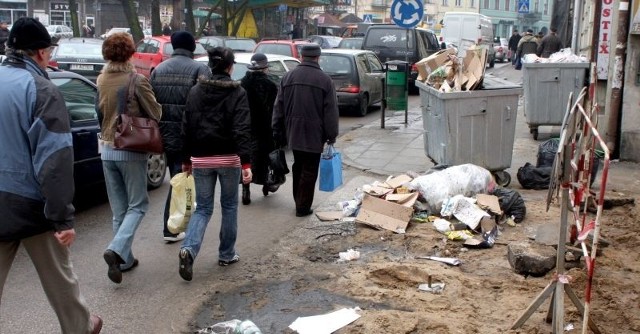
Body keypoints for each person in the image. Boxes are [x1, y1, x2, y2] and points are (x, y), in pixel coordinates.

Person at [0, 17, 102, 333]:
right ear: (42, 52)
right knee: (59, 277)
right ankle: (79, 328)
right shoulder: (43, 90)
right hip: (31, 202)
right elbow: (55, 160)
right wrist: (62, 218)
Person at [178, 46, 252, 281]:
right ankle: (226, 254)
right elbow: (242, 129)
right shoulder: (237, 93)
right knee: (229, 206)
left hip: (200, 158)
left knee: (203, 208)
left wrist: (186, 159)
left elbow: (186, 127)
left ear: (210, 65)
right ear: (230, 67)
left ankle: (188, 249)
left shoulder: (195, 91)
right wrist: (246, 163)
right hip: (228, 157)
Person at [96, 32, 162, 284]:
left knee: (119, 209)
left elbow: (99, 111)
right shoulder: (137, 79)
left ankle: (124, 260)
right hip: (130, 149)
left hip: (106, 149)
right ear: (131, 53)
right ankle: (115, 250)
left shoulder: (101, 79)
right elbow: (155, 112)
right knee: (139, 205)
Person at [150, 31, 212, 242]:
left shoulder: (158, 70)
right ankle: (172, 226)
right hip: (189, 136)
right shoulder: (200, 69)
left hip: (164, 134)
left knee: (177, 178)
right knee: (182, 180)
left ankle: (177, 224)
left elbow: (152, 103)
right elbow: (206, 104)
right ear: (192, 47)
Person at [272, 44, 339, 217]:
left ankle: (299, 201)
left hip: (293, 131)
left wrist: (277, 129)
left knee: (298, 166)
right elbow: (330, 111)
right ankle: (302, 207)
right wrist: (331, 134)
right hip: (314, 133)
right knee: (309, 170)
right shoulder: (324, 80)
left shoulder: (288, 77)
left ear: (301, 56)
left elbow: (278, 106)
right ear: (318, 57)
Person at [239, 53, 280, 205]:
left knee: (247, 159)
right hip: (265, 128)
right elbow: (274, 109)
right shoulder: (270, 85)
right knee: (266, 158)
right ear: (265, 68)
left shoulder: (243, 83)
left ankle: (245, 189)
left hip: (247, 128)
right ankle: (266, 184)